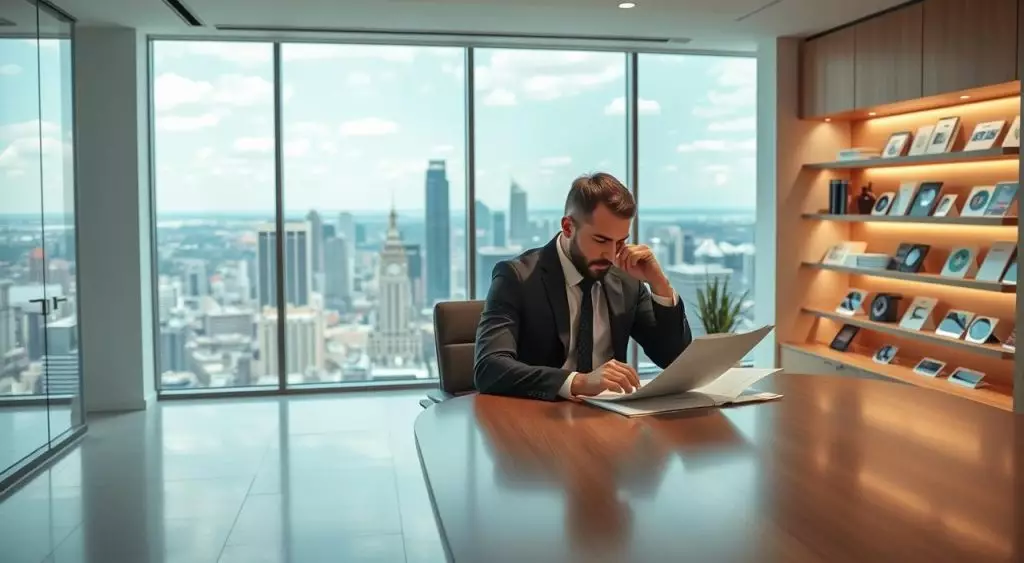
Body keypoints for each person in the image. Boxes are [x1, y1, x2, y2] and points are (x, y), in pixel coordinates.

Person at [474, 172, 693, 401]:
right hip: (539, 419)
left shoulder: (625, 278)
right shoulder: (517, 277)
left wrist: (660, 284)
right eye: (601, 240)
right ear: (568, 227)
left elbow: (673, 358)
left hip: (611, 419)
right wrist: (577, 382)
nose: (611, 255)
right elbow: (489, 368)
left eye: (620, 242)